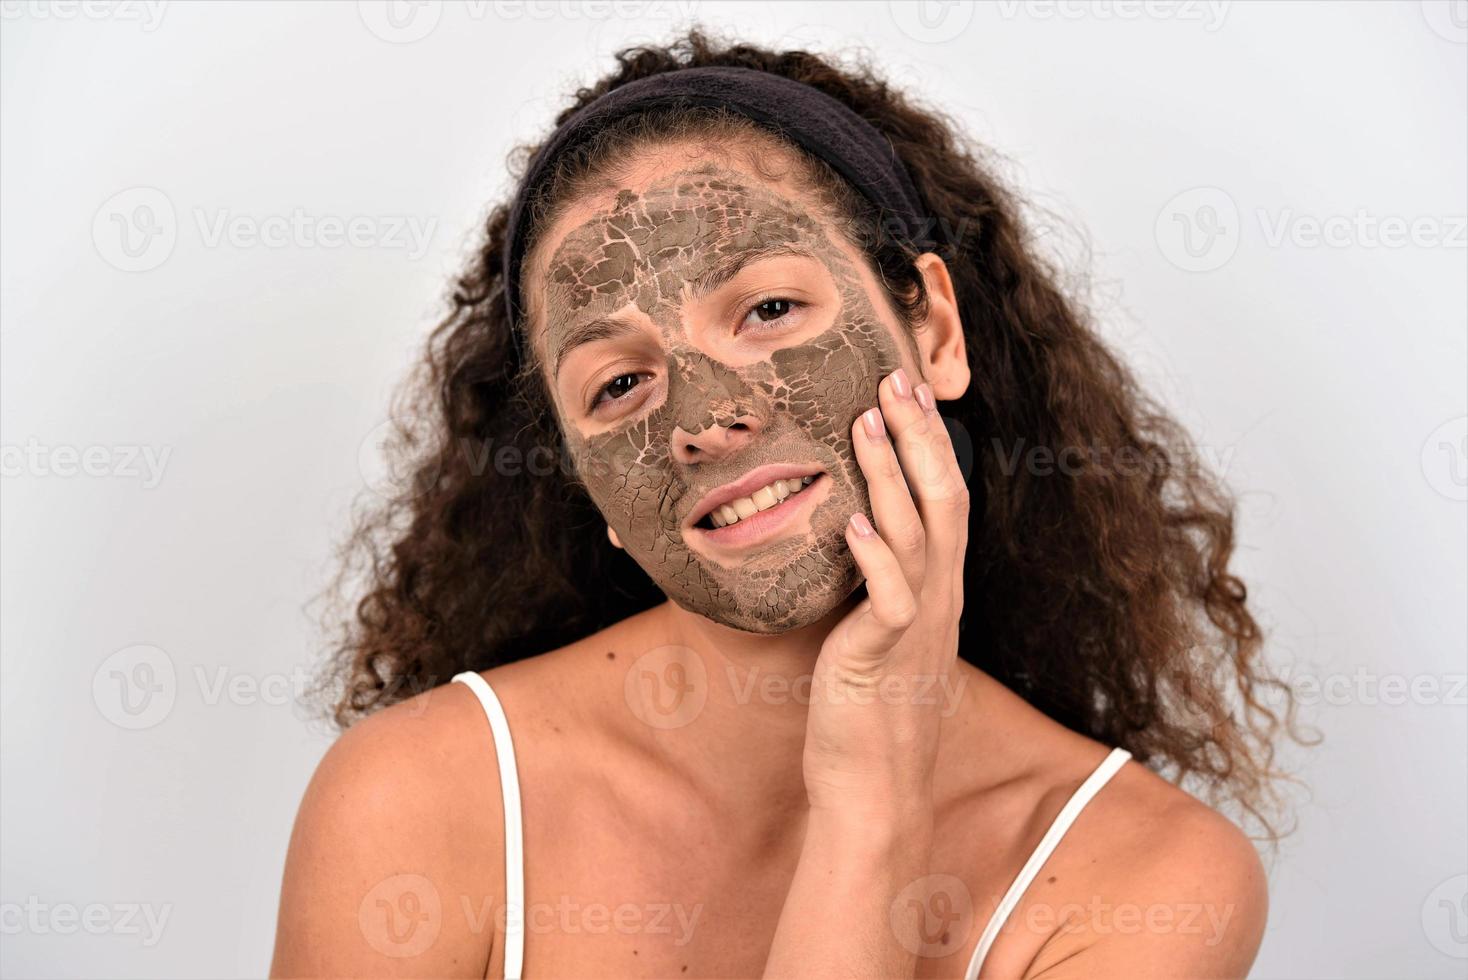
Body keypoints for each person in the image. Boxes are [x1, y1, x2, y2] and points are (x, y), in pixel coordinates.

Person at [272, 29, 1296, 979]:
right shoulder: (414, 803)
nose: (704, 417)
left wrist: (870, 804)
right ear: (591, 487)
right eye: (617, 384)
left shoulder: (1147, 878)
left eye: (767, 309)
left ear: (934, 330)